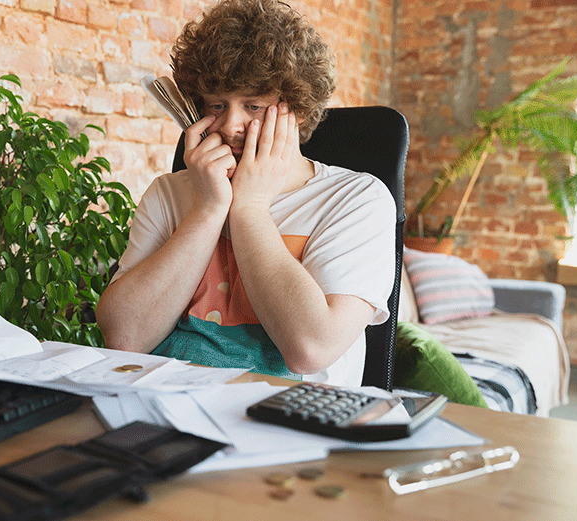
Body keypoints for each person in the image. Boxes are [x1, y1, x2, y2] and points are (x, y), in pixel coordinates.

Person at [95, 0, 395, 386]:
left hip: (285, 427)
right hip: (163, 410)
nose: (230, 124)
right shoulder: (169, 193)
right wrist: (210, 208)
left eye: (253, 105)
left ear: (298, 109)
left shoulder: (356, 199)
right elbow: (123, 338)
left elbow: (310, 349)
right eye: (216, 105)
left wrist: (249, 207)